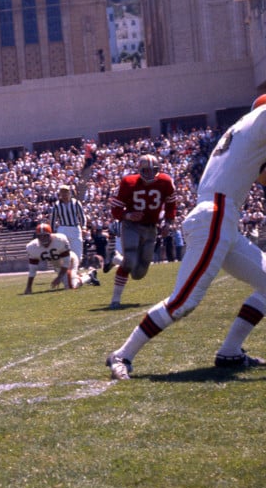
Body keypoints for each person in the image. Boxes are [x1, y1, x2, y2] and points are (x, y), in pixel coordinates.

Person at [106, 95, 266, 380]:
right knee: (184, 302)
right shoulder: (260, 120)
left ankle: (230, 352)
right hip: (216, 214)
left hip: (219, 215)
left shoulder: (241, 131)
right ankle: (122, 354)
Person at [107, 154, 177, 309]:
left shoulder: (165, 181)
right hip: (131, 225)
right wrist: (128, 215)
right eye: (146, 170)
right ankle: (115, 300)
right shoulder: (128, 182)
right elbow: (116, 208)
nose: (150, 174)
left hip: (151, 227)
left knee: (139, 273)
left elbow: (171, 205)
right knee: (130, 260)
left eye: (154, 170)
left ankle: (115, 259)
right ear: (139, 170)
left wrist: (168, 223)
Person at [23, 223, 99, 295]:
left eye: (45, 236)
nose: (43, 238)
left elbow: (66, 262)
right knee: (70, 282)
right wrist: (29, 287)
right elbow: (33, 269)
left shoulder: (60, 239)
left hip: (70, 261)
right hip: (57, 265)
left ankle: (89, 276)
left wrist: (59, 277)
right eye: (40, 236)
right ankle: (84, 276)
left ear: (50, 234)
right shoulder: (32, 247)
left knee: (70, 286)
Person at [49, 185, 87, 266]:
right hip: (63, 229)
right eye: (62, 192)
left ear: (69, 192)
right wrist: (51, 232)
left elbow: (82, 216)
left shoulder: (76, 203)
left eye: (66, 192)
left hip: (75, 228)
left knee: (77, 253)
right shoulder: (57, 205)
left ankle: (74, 271)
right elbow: (53, 219)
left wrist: (83, 227)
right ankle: (64, 272)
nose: (64, 194)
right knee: (63, 252)